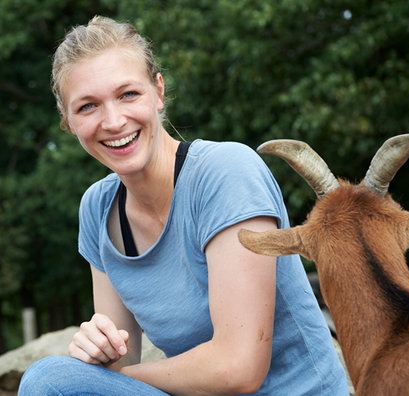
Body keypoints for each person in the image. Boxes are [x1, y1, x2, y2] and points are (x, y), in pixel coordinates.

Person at [19, 15, 349, 395]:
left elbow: (238, 369)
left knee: (51, 380)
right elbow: (121, 362)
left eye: (128, 94)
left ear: (158, 91)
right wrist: (101, 357)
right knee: (57, 381)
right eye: (88, 106)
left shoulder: (225, 174)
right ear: (68, 121)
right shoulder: (97, 209)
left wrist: (106, 381)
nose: (113, 121)